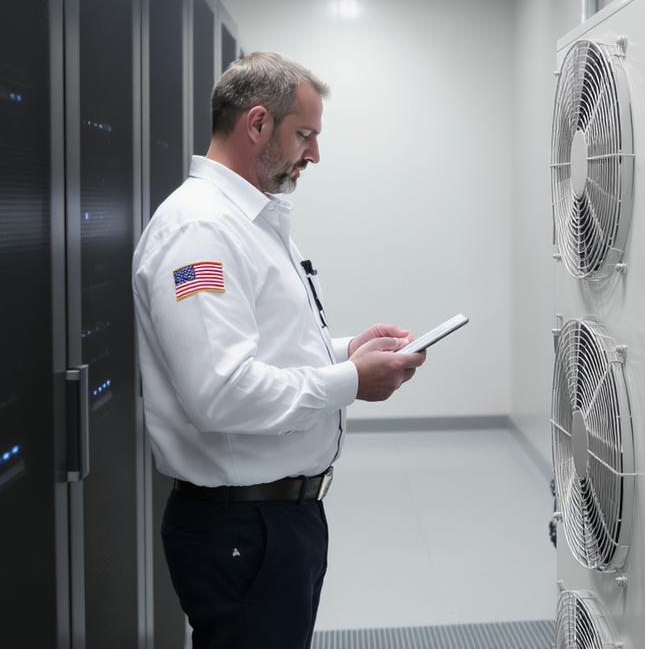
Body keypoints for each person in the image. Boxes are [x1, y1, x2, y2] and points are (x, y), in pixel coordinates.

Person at [132, 51, 426, 648]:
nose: (313, 155)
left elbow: (268, 348)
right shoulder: (200, 231)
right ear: (257, 124)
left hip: (273, 518)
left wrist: (348, 351)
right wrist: (351, 382)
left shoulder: (249, 220)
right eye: (305, 135)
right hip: (241, 526)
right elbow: (221, 393)